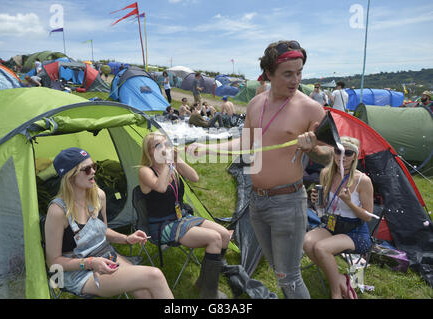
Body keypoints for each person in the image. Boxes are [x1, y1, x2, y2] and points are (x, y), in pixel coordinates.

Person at [187, 40, 326, 299]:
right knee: (278, 270)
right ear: (269, 73)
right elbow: (247, 143)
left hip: (288, 202)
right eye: (288, 74)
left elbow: (330, 155)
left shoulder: (310, 107)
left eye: (299, 72)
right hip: (257, 201)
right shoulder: (256, 104)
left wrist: (313, 149)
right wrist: (208, 148)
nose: (296, 80)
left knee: (290, 278)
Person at [44, 147, 173, 299]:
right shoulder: (58, 211)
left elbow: (102, 230)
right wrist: (90, 262)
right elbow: (53, 262)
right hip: (77, 273)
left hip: (106, 257)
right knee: (154, 275)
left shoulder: (98, 195)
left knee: (145, 292)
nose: (93, 172)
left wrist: (126, 238)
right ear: (70, 176)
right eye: (86, 169)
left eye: (94, 166)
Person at [138, 131, 231, 298]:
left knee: (224, 235)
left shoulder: (172, 166)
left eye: (166, 143)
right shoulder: (145, 171)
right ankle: (209, 293)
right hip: (163, 225)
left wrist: (177, 160)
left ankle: (203, 282)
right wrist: (167, 163)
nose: (164, 148)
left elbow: (194, 177)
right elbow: (161, 188)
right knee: (214, 238)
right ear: (149, 151)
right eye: (158, 145)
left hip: (181, 217)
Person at [303, 136, 374, 299]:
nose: (342, 157)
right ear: (333, 152)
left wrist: (349, 203)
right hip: (332, 225)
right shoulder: (326, 173)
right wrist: (317, 202)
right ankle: (341, 279)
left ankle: (336, 292)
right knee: (307, 242)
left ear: (355, 156)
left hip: (355, 231)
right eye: (338, 151)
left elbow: (368, 217)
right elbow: (323, 210)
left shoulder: (363, 181)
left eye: (348, 153)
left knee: (321, 248)